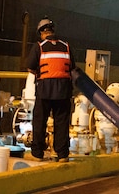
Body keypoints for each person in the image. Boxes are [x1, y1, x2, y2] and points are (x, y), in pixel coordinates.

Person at [25, 16, 76, 162]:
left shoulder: (39, 46)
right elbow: (72, 67)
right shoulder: (66, 46)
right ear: (53, 31)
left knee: (40, 121)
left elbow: (30, 67)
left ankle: (37, 153)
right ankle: (62, 154)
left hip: (44, 90)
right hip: (64, 90)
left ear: (41, 33)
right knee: (62, 122)